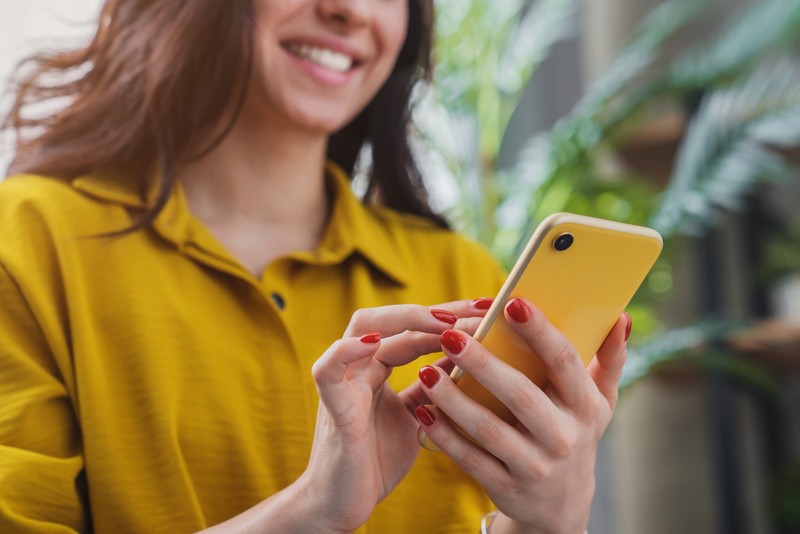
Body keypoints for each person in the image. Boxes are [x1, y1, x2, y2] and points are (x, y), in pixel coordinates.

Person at [0, 1, 631, 532]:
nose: (350, 10)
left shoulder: (459, 272)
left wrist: (547, 521)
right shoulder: (28, 241)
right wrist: (312, 511)